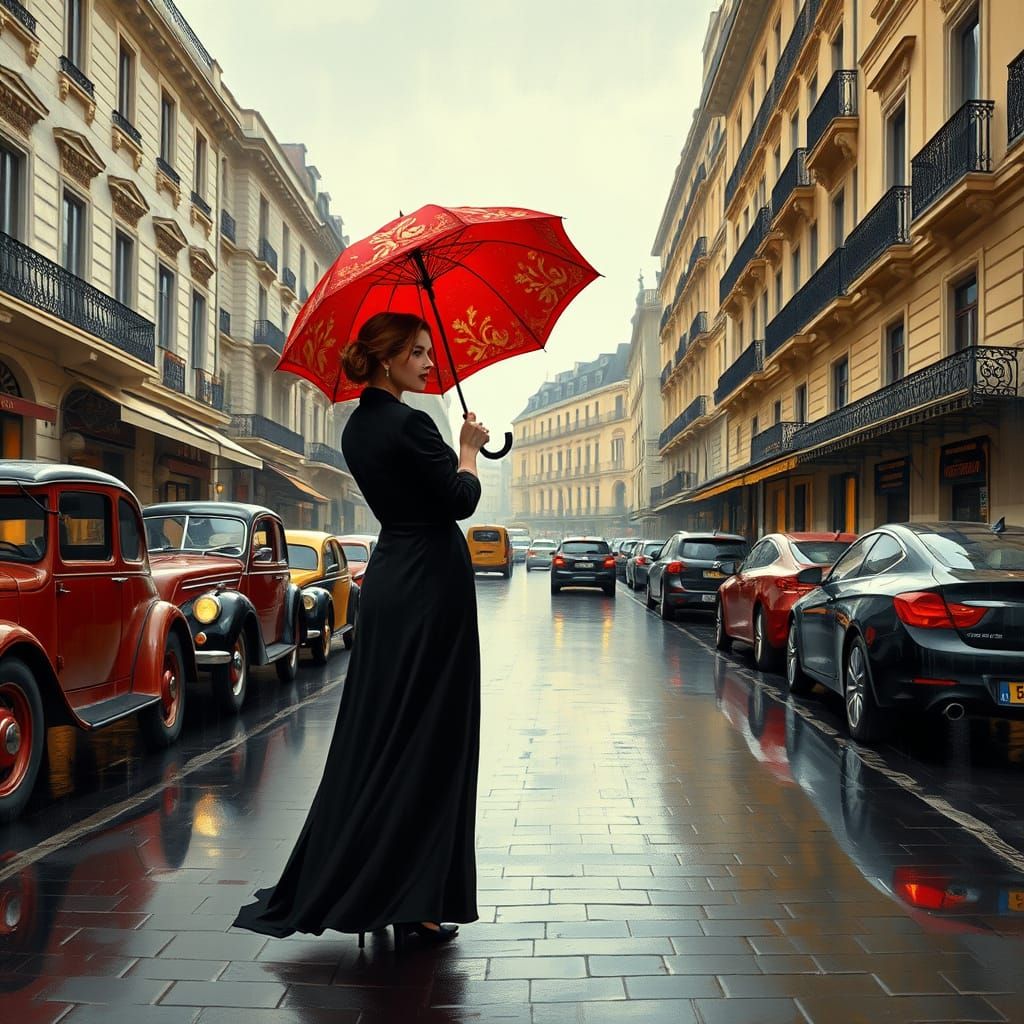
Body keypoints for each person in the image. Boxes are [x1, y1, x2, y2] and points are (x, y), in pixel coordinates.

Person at [233, 311, 489, 951]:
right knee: (433, 740)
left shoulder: (358, 431)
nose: (431, 363)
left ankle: (393, 890)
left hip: (392, 580)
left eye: (430, 351)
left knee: (384, 735)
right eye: (419, 352)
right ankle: (418, 902)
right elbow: (460, 501)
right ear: (385, 358)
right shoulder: (414, 424)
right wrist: (468, 448)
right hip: (432, 586)